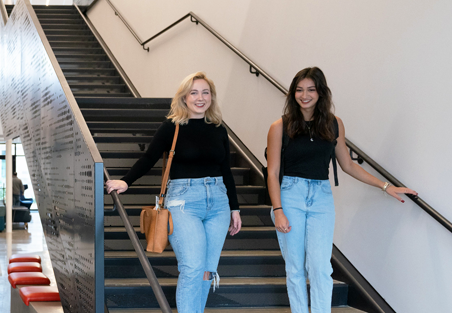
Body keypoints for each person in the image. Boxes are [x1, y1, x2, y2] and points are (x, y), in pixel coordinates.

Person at [266, 67, 418, 313]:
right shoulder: (280, 126)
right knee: (295, 268)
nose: (304, 95)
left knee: (321, 267)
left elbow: (347, 165)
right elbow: (272, 173)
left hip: (321, 197)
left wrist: (385, 185)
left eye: (311, 90)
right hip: (290, 195)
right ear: (293, 93)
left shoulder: (334, 124)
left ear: (321, 93)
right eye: (299, 90)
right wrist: (278, 209)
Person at [106, 72, 242, 313]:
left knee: (208, 269)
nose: (200, 98)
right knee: (192, 266)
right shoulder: (173, 126)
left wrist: (235, 208)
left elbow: (226, 171)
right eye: (194, 92)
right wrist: (126, 182)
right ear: (184, 97)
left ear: (211, 97)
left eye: (205, 92)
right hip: (183, 202)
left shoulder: (218, 128)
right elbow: (149, 157)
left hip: (218, 201)